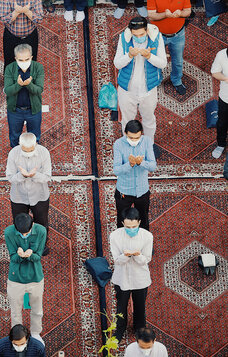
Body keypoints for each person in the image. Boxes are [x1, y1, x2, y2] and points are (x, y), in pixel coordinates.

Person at [113, 16, 167, 150]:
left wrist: (149, 56)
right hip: (127, 90)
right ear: (130, 31)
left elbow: (163, 63)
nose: (138, 37)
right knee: (127, 120)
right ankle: (128, 145)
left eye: (142, 34)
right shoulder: (124, 39)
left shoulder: (156, 38)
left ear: (147, 30)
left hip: (148, 90)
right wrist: (129, 56)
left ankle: (149, 145)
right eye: (135, 35)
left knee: (149, 119)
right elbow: (117, 64)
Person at [109, 208, 153, 343]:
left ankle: (139, 328)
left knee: (140, 305)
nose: (131, 229)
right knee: (121, 306)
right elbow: (117, 260)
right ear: (122, 223)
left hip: (140, 278)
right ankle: (120, 328)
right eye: (128, 227)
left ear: (139, 222)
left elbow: (147, 259)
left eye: (134, 226)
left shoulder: (147, 236)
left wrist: (138, 256)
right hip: (121, 277)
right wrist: (126, 256)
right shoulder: (115, 236)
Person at [147, 0, 191, 96]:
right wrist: (165, 15)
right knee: (155, 59)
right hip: (158, 35)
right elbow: (151, 16)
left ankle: (177, 80)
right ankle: (156, 80)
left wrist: (181, 13)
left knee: (177, 60)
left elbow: (188, 11)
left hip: (178, 34)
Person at [4, 213, 46, 345]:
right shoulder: (9, 232)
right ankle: (17, 334)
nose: (24, 236)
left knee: (37, 309)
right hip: (16, 279)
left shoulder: (41, 231)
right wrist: (20, 255)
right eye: (21, 234)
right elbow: (13, 257)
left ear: (32, 224)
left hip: (35, 277)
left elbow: (38, 256)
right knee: (15, 310)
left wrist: (29, 255)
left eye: (26, 233)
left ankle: (35, 333)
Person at [6, 133, 51, 253]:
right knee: (19, 222)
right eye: (25, 150)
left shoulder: (44, 152)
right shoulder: (13, 153)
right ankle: (20, 246)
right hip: (19, 196)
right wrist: (22, 175)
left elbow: (47, 177)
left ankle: (41, 245)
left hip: (39, 195)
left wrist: (34, 175)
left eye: (30, 150)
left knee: (42, 223)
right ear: (20, 144)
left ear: (36, 143)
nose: (28, 154)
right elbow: (10, 177)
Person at [113, 120, 156, 230]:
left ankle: (143, 242)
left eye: (137, 138)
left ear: (141, 133)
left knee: (143, 220)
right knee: (122, 221)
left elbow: (152, 166)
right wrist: (130, 164)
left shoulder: (147, 141)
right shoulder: (118, 144)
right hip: (124, 191)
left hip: (142, 191)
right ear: (126, 133)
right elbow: (116, 170)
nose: (134, 141)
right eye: (131, 138)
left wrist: (141, 163)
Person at [0, 0, 44, 67]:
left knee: (31, 63)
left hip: (30, 36)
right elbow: (4, 19)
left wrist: (27, 12)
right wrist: (16, 12)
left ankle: (29, 81)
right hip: (11, 36)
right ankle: (10, 82)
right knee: (9, 62)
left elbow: (39, 18)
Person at [4, 44, 45, 146]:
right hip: (15, 111)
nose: (24, 63)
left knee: (34, 137)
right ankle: (16, 155)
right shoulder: (10, 68)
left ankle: (33, 156)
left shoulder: (38, 67)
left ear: (31, 57)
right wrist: (18, 85)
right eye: (20, 60)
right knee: (14, 137)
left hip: (33, 110)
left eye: (26, 59)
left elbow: (39, 90)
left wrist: (29, 84)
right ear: (16, 59)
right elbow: (8, 91)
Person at [211, 47, 228, 159]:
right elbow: (215, 73)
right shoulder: (221, 55)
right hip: (226, 98)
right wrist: (226, 79)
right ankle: (221, 144)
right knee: (222, 123)